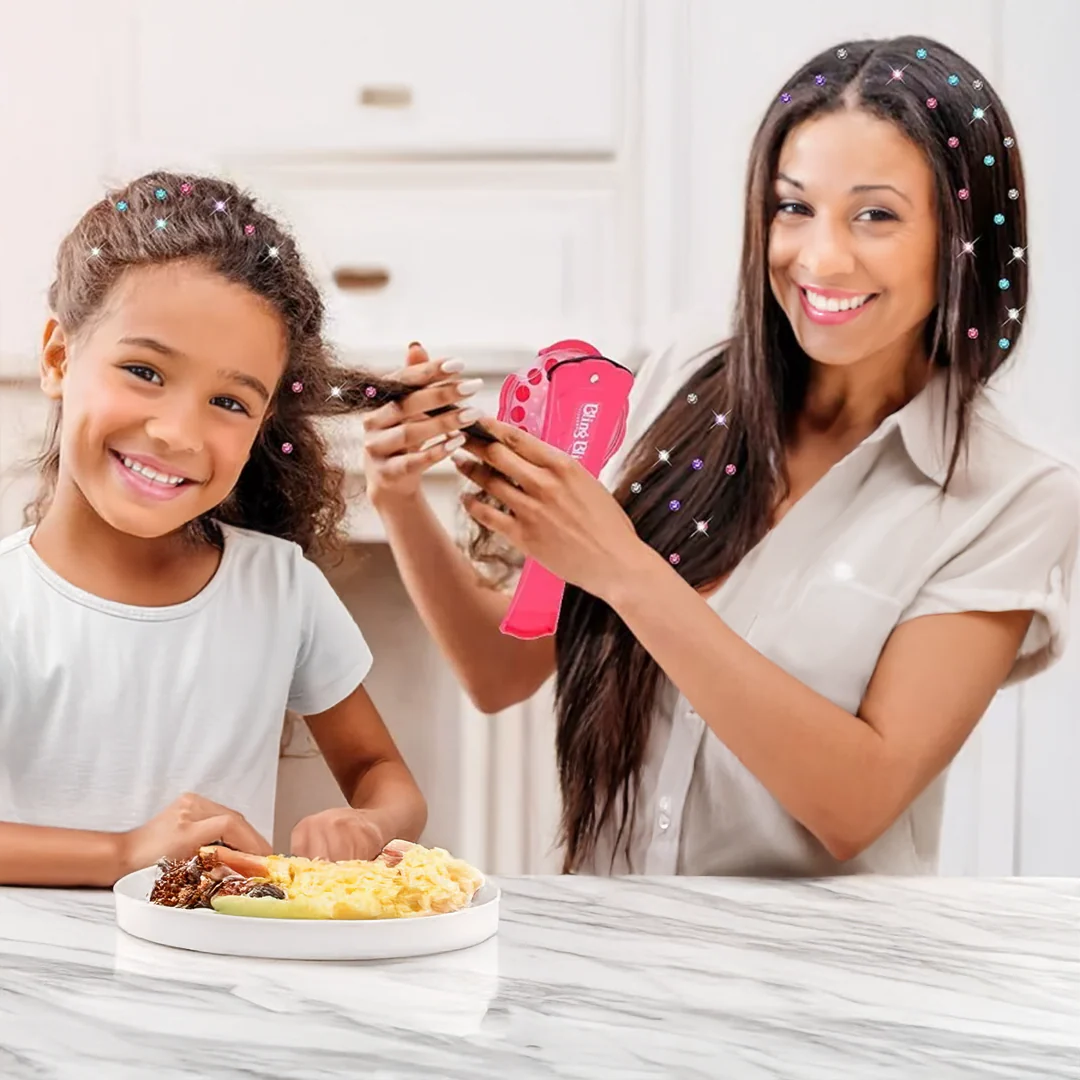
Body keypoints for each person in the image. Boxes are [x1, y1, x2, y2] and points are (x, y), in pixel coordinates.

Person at [362, 36, 1080, 876]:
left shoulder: (1008, 496)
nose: (820, 257)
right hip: (603, 962)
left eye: (875, 215)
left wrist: (622, 567)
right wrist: (401, 497)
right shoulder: (681, 382)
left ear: (961, 236)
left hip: (814, 994)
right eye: (793, 207)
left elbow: (857, 802)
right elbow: (501, 670)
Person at [0, 172, 436, 887]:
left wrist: (368, 822)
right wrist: (119, 855)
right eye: (144, 370)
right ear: (58, 357)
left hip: (225, 984)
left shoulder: (279, 588)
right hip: (36, 986)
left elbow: (384, 776)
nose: (176, 433)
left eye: (229, 402)